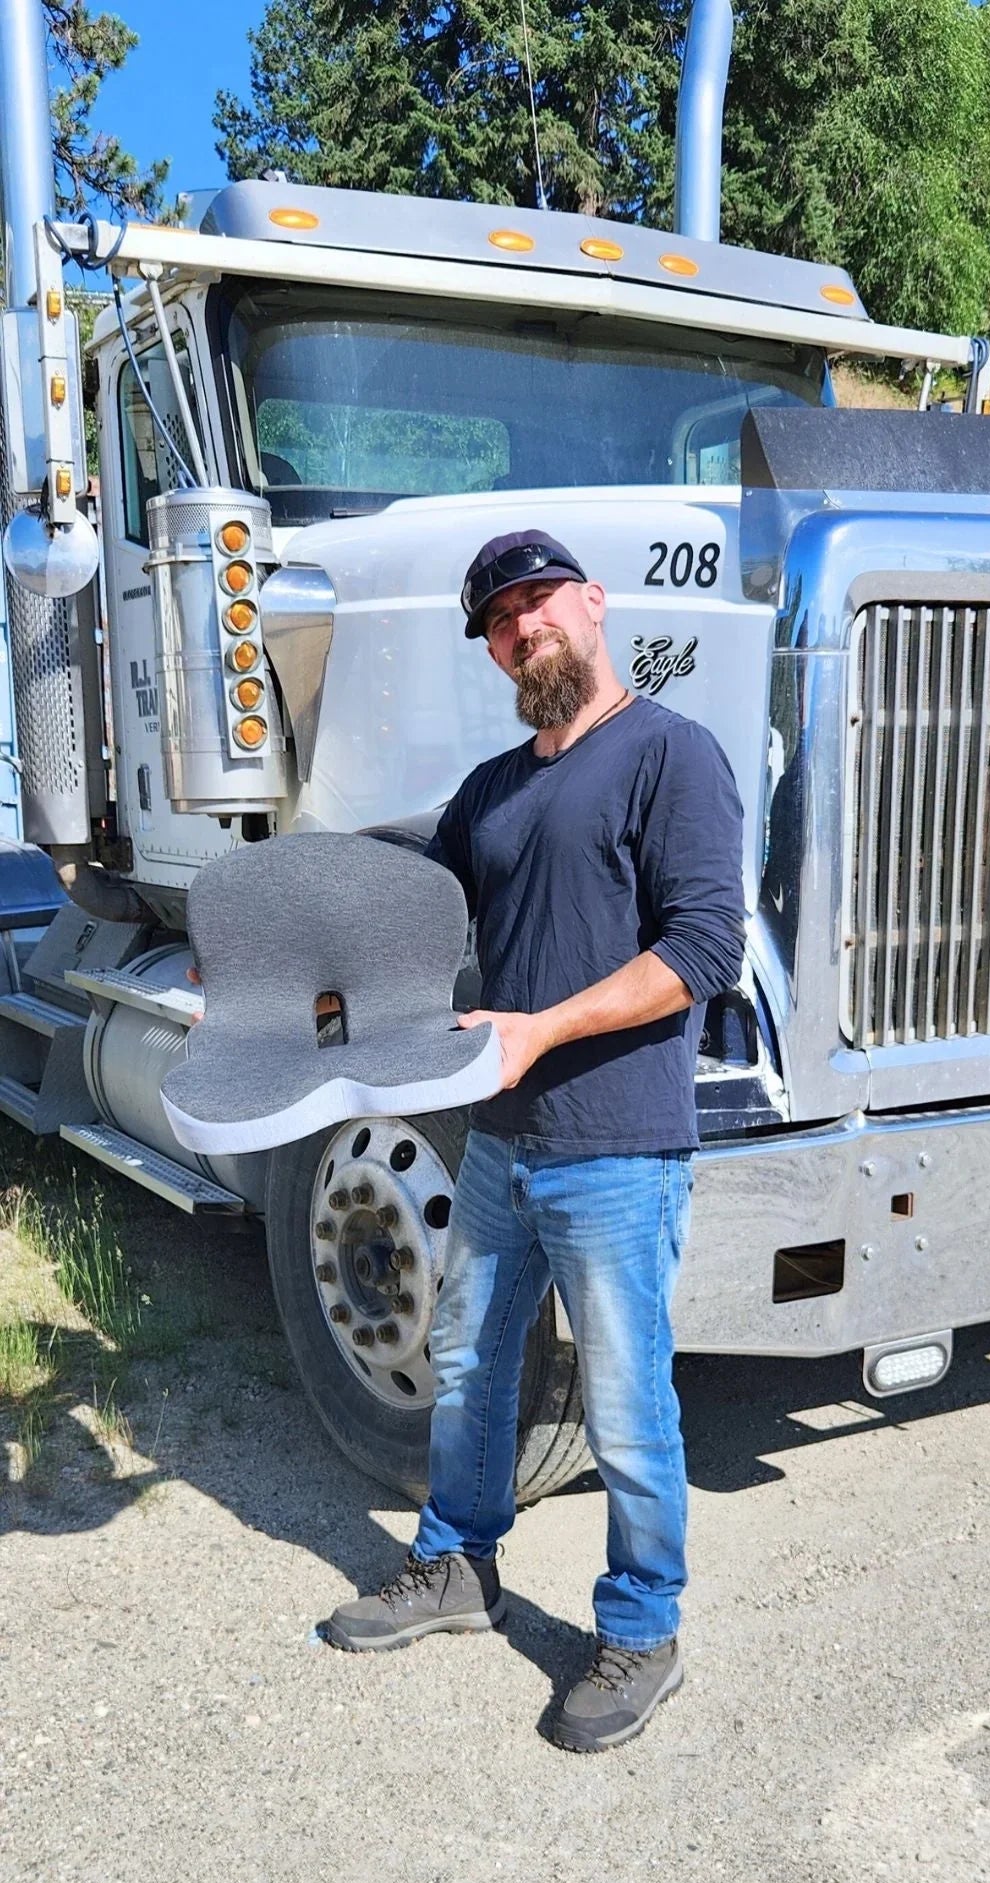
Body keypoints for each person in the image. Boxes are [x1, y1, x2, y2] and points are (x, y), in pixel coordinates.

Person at [324, 530, 746, 1752]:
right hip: (502, 1144)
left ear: (593, 603)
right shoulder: (493, 790)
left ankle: (643, 1630)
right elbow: (409, 924)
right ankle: (460, 1564)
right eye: (499, 622)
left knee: (624, 1403)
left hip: (617, 1146)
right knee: (466, 1366)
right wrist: (274, 984)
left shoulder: (670, 754)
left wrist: (541, 1029)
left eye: (537, 601)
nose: (522, 629)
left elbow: (704, 949)